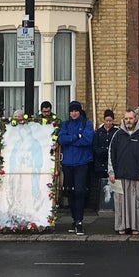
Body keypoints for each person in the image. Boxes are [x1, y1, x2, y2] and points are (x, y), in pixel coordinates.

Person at [109, 110, 139, 234]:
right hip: (120, 175)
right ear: (123, 119)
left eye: (131, 118)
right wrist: (111, 172)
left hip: (137, 175)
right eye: (126, 118)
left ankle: (137, 227)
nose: (128, 121)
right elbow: (111, 154)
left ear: (135, 119)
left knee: (137, 203)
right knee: (121, 203)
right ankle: (122, 226)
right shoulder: (117, 135)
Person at [58, 100, 94, 235]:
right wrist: (76, 137)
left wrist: (71, 140)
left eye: (76, 111)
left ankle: (79, 221)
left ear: (80, 112)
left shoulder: (86, 124)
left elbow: (87, 140)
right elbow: (61, 139)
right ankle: (74, 219)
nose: (73, 113)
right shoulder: (65, 124)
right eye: (72, 111)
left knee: (79, 191)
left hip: (81, 163)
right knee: (70, 193)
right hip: (67, 163)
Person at [92, 109, 118, 211]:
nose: (108, 123)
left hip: (112, 163)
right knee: (101, 185)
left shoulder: (116, 132)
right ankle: (101, 205)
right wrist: (103, 151)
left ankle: (112, 206)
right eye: (106, 121)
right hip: (100, 163)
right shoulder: (99, 132)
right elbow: (95, 146)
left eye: (110, 121)